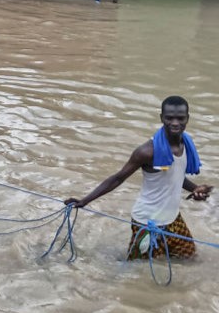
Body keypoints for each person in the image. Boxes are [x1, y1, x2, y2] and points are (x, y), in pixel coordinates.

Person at [65, 96, 212, 259]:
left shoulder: (186, 143)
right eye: (170, 118)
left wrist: (195, 189)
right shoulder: (147, 152)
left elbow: (173, 175)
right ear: (161, 118)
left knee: (190, 258)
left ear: (187, 118)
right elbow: (118, 178)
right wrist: (85, 200)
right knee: (136, 269)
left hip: (173, 218)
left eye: (180, 118)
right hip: (148, 223)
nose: (175, 123)